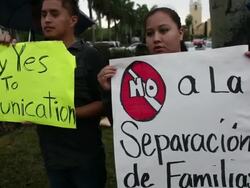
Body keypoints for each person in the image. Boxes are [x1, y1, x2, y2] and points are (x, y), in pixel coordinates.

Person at [1, 0, 106, 187]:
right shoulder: (31, 57)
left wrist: (65, 113)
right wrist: (6, 50)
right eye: (43, 15)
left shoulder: (90, 55)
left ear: (73, 20)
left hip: (86, 159)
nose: (46, 20)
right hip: (52, 157)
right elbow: (19, 92)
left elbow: (105, 104)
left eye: (54, 14)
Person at [98, 7, 250, 91]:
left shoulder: (209, 71)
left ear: (181, 32)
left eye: (163, 30)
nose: (156, 38)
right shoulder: (136, 79)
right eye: (150, 33)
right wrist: (112, 92)